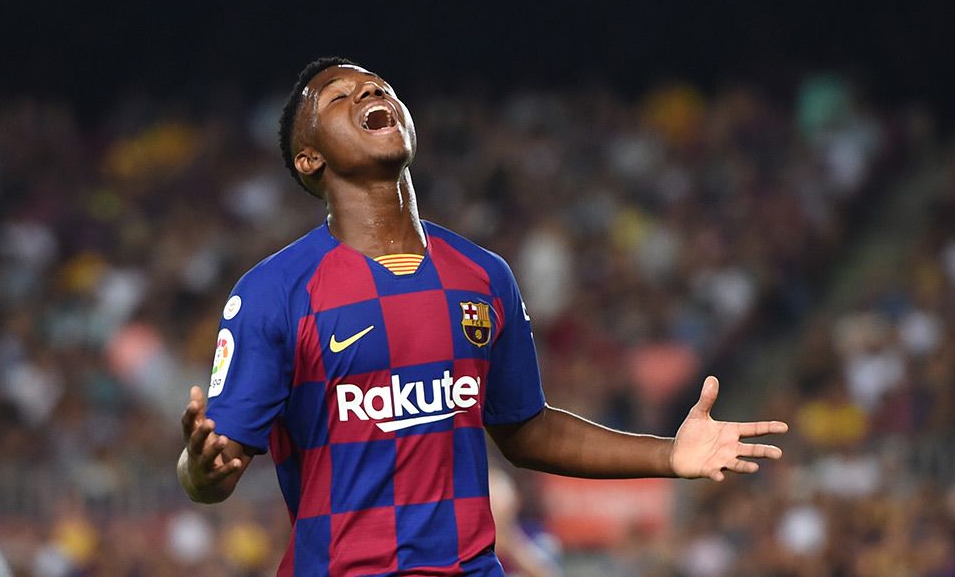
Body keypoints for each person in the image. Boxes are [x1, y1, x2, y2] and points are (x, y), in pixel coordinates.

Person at [176, 57, 788, 576]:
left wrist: (668, 457)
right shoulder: (275, 292)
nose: (368, 92)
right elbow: (216, 466)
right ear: (309, 159)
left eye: (377, 87)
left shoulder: (482, 275)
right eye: (338, 95)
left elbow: (525, 430)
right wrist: (198, 471)